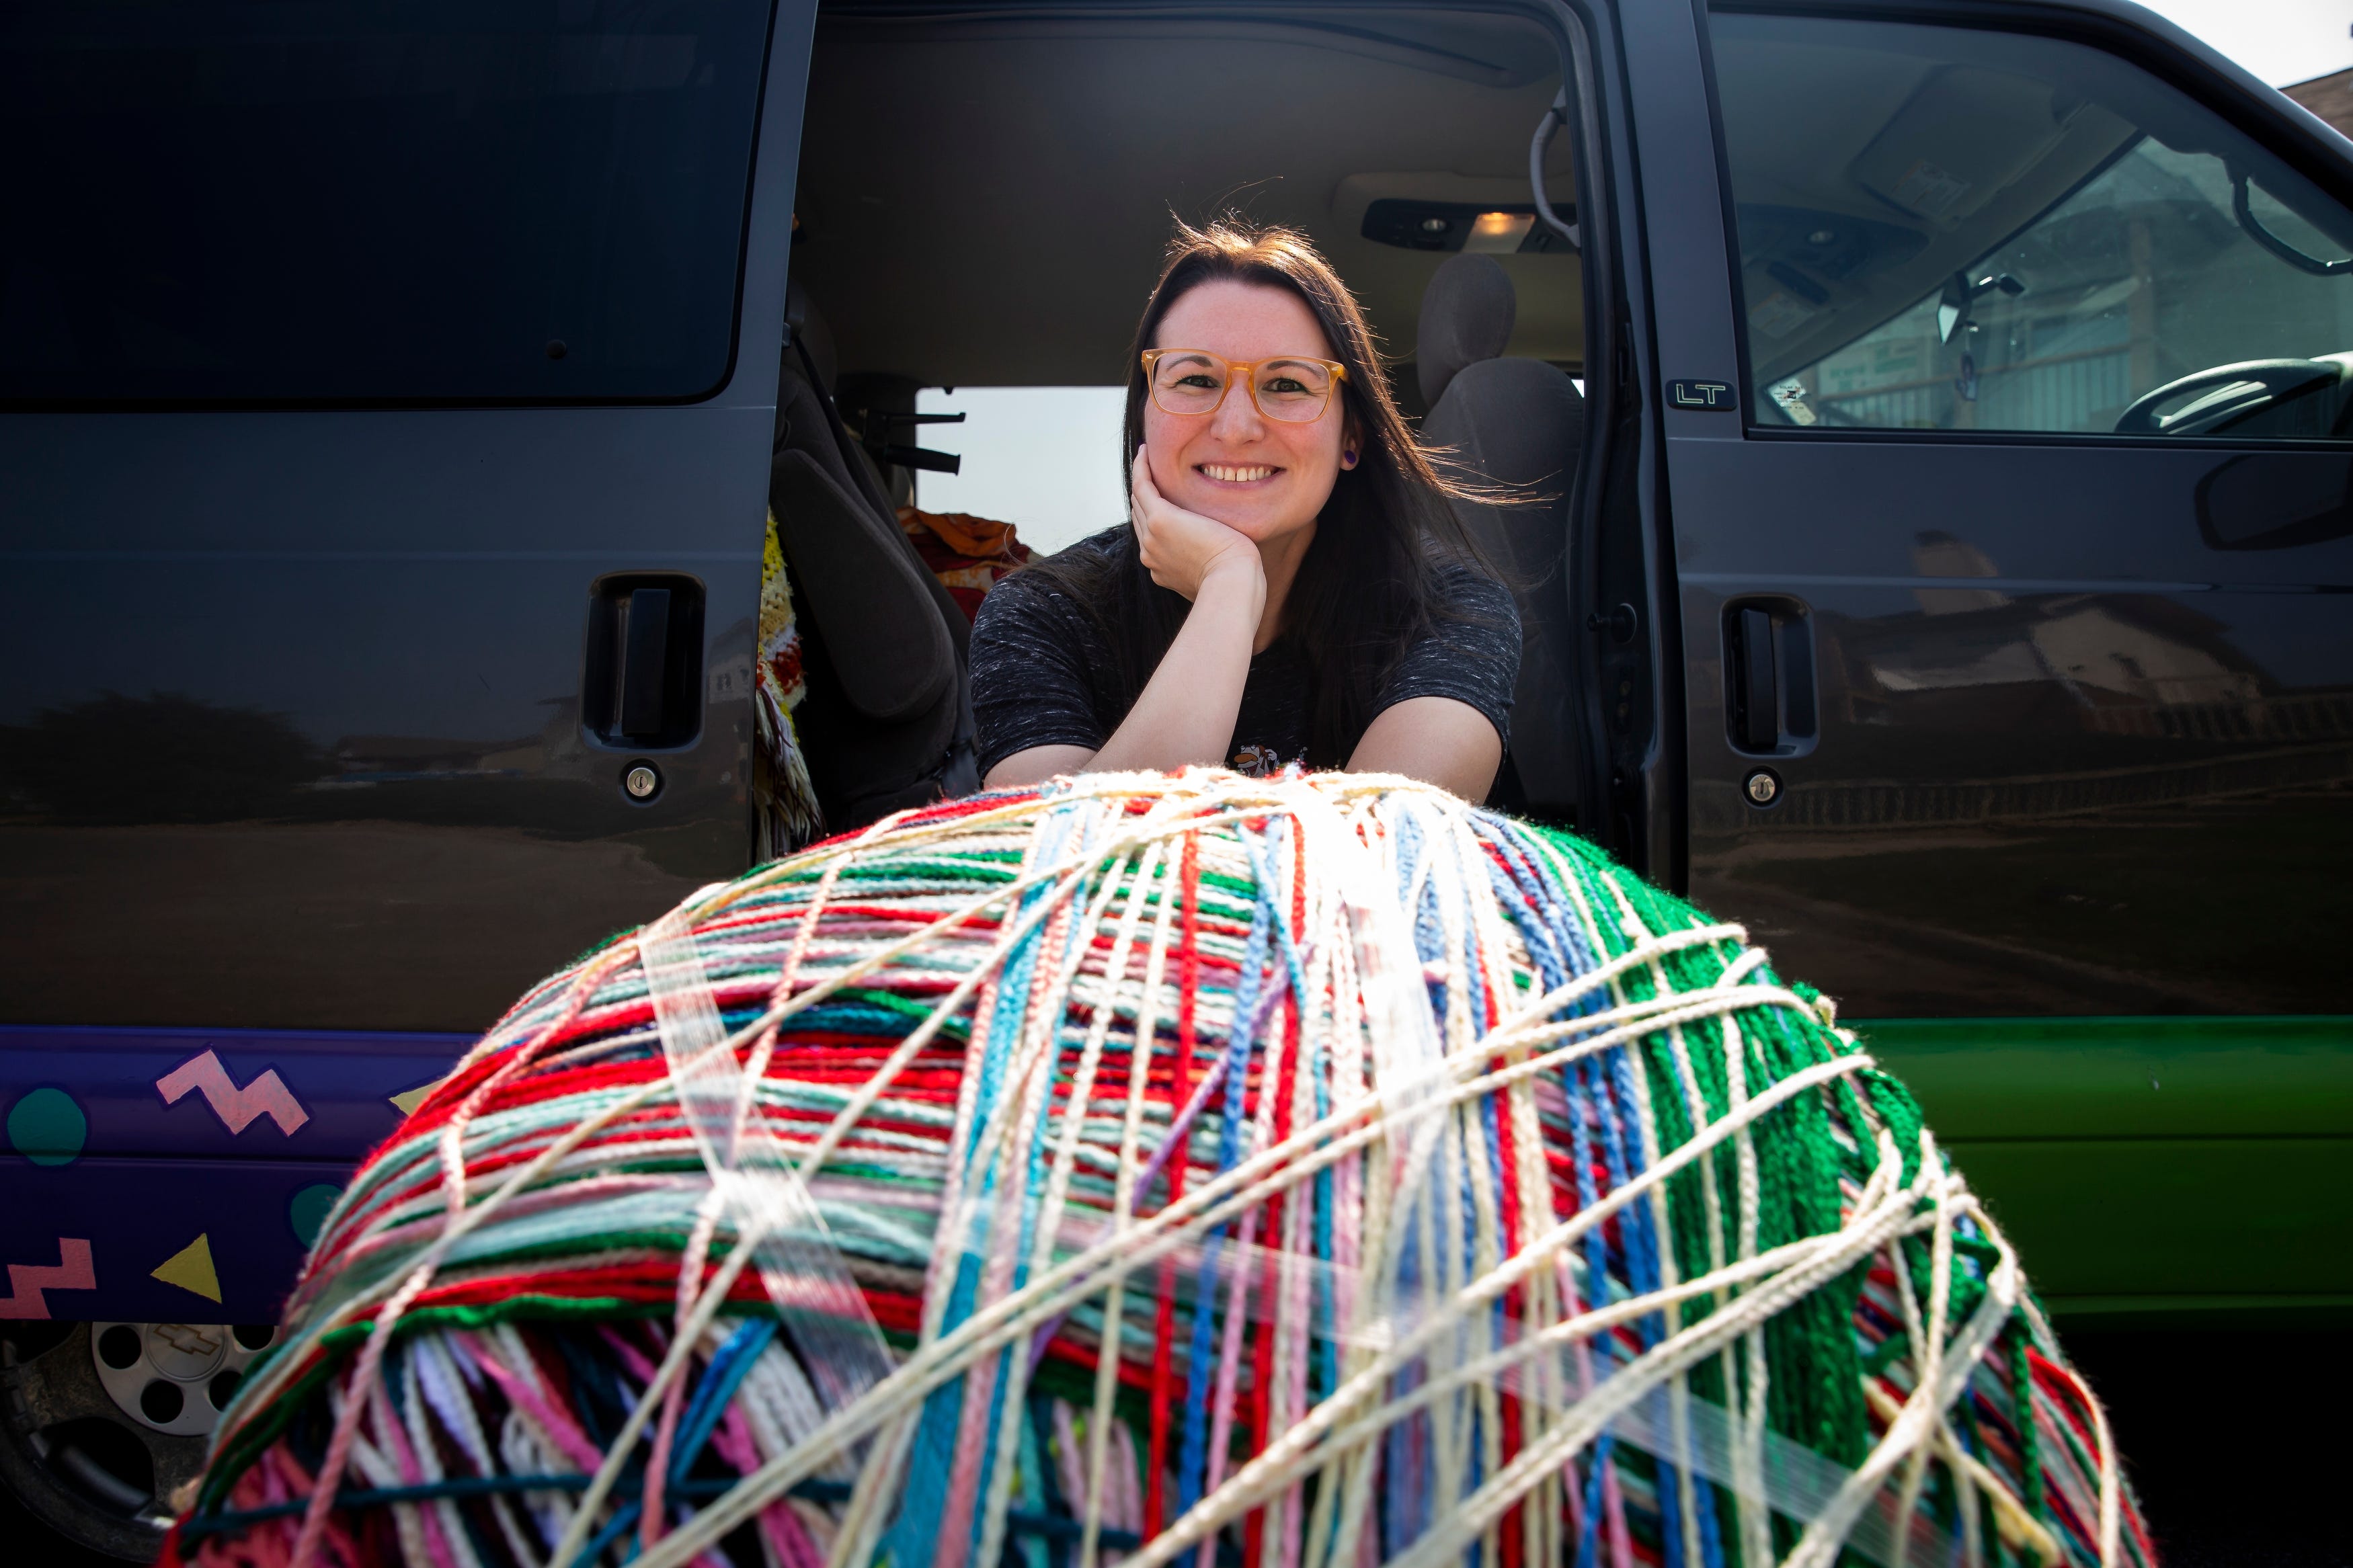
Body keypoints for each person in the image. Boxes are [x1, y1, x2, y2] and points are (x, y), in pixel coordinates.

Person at [971, 218, 1519, 800]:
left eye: (1286, 386)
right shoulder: (1037, 617)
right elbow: (1066, 867)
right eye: (1196, 379)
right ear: (1144, 420)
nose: (1236, 428)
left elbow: (1381, 859)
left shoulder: (1450, 612)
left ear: (1351, 438)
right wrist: (1229, 586)